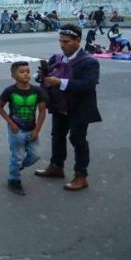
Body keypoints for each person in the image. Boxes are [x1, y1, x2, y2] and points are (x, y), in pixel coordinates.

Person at [34, 24, 101, 192]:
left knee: (78, 139)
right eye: (60, 41)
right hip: (59, 104)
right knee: (57, 135)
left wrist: (60, 82)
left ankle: (81, 176)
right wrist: (40, 76)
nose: (62, 45)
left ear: (78, 41)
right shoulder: (56, 58)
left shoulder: (90, 62)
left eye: (66, 41)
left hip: (79, 107)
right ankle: (56, 166)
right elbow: (47, 77)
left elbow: (88, 85)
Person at [0, 61, 47, 195]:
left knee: (36, 155)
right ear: (13, 75)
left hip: (31, 128)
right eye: (22, 72)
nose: (26, 74)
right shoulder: (9, 91)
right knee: (17, 156)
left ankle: (18, 167)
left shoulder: (37, 91)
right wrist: (11, 122)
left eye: (28, 71)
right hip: (16, 130)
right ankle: (14, 180)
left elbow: (42, 111)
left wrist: (37, 130)